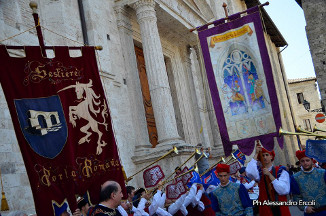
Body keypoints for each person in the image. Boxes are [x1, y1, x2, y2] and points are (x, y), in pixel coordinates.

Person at [246, 144, 290, 216]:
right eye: (263, 156)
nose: (265, 157)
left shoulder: (280, 171)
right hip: (265, 207)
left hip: (280, 206)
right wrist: (256, 153)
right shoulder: (259, 172)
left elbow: (284, 190)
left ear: (271, 156)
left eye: (267, 155)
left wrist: (270, 175)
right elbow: (249, 172)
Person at [290, 150, 326, 215]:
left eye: (307, 160)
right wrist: (305, 207)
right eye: (302, 161)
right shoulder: (295, 177)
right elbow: (296, 197)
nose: (305, 163)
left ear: (312, 161)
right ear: (300, 163)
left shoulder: (323, 173)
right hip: (310, 213)